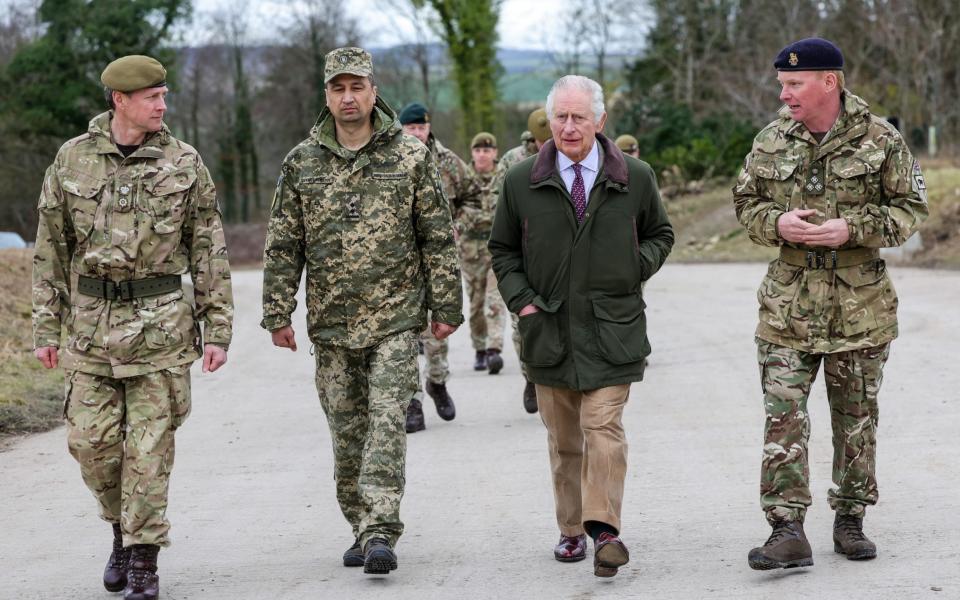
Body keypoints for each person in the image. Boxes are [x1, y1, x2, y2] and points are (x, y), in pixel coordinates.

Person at [31, 55, 234, 600]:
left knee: (149, 449)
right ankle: (121, 528)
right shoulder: (71, 160)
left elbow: (208, 249)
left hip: (161, 330)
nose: (163, 105)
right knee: (90, 445)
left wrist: (217, 328)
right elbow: (51, 249)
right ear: (120, 100)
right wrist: (45, 328)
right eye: (152, 97)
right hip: (90, 330)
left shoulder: (184, 163)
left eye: (164, 95)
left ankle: (144, 557)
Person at [261, 47, 462, 574]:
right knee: (346, 430)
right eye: (338, 89)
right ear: (326, 95)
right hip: (331, 325)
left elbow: (437, 239)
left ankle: (379, 529)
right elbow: (284, 245)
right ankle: (359, 523)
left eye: (357, 87)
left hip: (396, 319)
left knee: (386, 420)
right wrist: (277, 312)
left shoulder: (409, 157)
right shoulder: (301, 162)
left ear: (374, 90)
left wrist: (446, 305)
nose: (348, 98)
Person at [733, 37, 928, 571]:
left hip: (859, 309)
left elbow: (911, 207)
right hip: (786, 307)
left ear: (829, 82)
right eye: (782, 84)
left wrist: (854, 228)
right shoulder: (771, 138)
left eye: (794, 84)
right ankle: (786, 528)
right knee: (783, 420)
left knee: (855, 420)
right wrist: (775, 223)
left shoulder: (881, 139)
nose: (785, 93)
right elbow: (745, 202)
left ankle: (850, 518)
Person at [489, 75, 674, 578]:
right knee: (566, 441)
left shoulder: (634, 176)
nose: (568, 127)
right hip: (548, 332)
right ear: (549, 121)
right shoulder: (521, 180)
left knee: (603, 428)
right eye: (560, 117)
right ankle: (572, 530)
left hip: (613, 330)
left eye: (578, 117)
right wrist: (523, 303)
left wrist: (635, 265)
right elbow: (502, 250)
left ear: (600, 120)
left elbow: (660, 232)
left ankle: (605, 531)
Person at [397, 101, 478, 432]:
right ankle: (412, 401)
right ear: (401, 129)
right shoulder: (390, 160)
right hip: (400, 262)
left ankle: (437, 382)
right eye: (411, 128)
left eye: (421, 127)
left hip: (440, 261)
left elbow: (474, 195)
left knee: (437, 330)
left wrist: (459, 223)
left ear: (429, 128)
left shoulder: (447, 162)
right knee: (403, 333)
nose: (417, 133)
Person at [492, 108, 552, 414]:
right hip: (522, 256)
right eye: (543, 140)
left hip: (551, 257)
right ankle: (531, 376)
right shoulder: (512, 162)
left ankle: (550, 379)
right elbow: (495, 203)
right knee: (523, 323)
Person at [457, 131, 508, 375]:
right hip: (470, 251)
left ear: (495, 153)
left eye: (487, 150)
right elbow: (454, 210)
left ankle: (494, 349)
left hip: (497, 248)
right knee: (476, 303)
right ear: (472, 153)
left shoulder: (504, 176)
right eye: (478, 150)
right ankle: (479, 348)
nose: (482, 154)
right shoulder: (463, 178)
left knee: (494, 299)